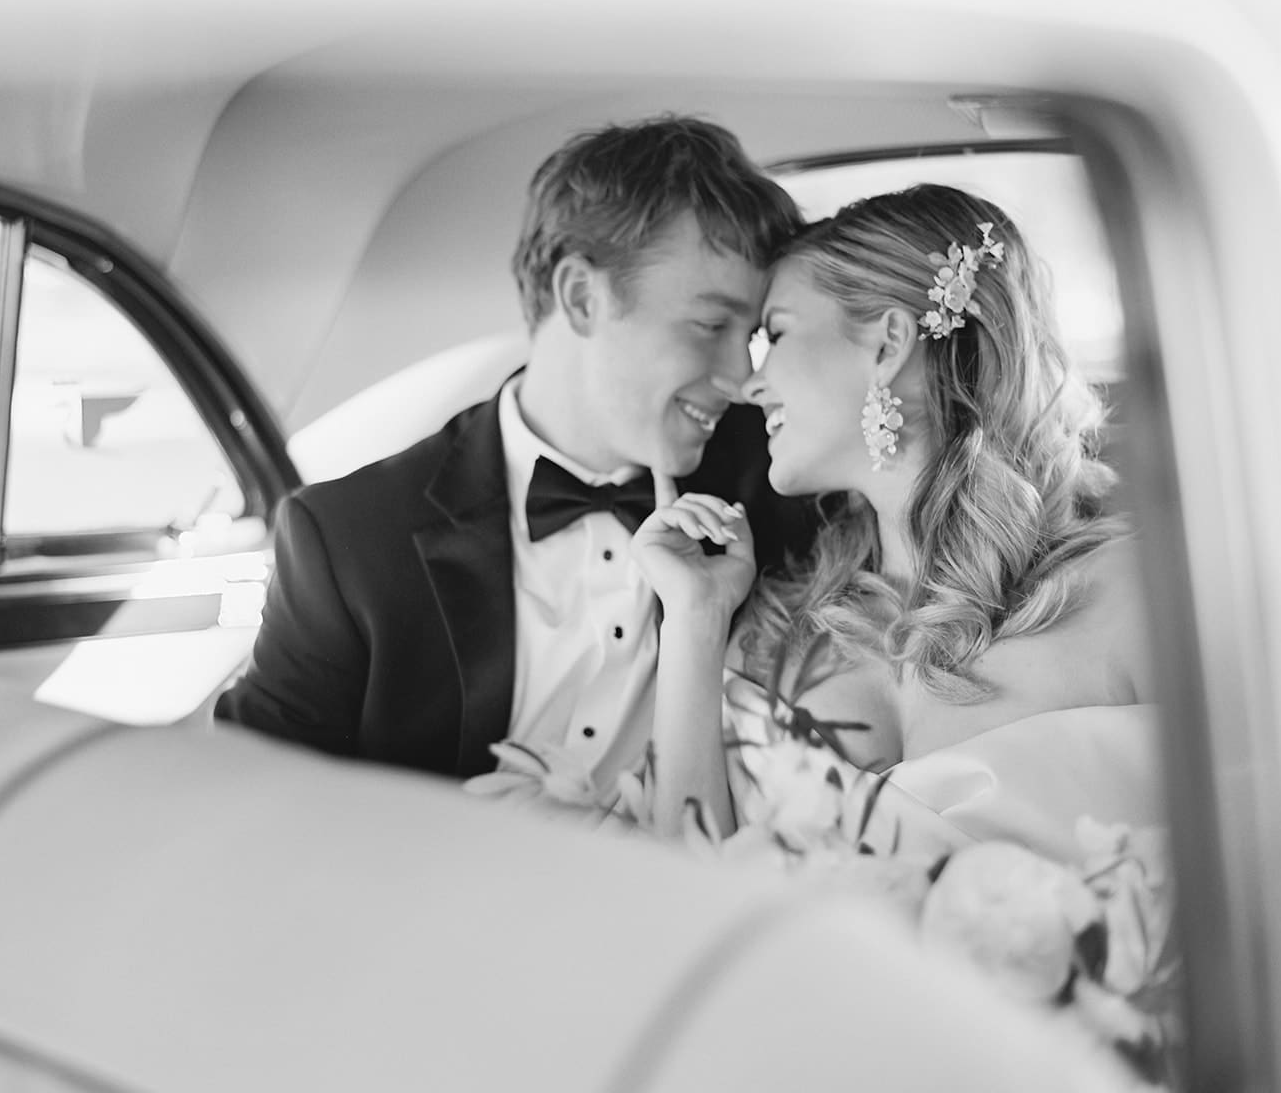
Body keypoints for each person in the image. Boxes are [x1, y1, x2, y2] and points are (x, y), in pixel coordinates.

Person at [215, 115, 821, 779]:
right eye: (710, 325)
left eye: (754, 334)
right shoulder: (350, 543)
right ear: (582, 297)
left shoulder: (787, 486)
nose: (741, 378)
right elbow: (249, 800)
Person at [631, 183, 1158, 846]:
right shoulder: (771, 634)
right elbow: (680, 883)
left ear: (887, 344)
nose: (751, 383)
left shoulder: (1134, 598)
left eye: (778, 332)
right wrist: (694, 619)